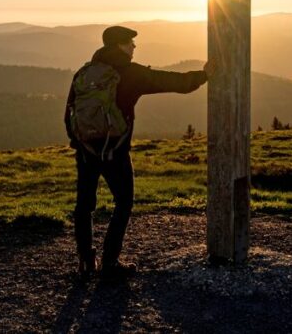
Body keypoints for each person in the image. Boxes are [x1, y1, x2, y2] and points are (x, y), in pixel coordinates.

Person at [69, 25, 211, 279]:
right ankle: (110, 262)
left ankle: (85, 261)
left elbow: (69, 112)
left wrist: (79, 145)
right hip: (115, 151)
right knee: (123, 202)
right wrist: (203, 75)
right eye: (130, 43)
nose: (134, 47)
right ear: (119, 46)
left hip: (86, 151)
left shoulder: (85, 72)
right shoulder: (129, 73)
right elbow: (171, 81)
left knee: (84, 205)